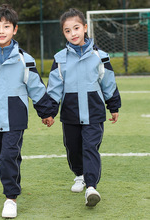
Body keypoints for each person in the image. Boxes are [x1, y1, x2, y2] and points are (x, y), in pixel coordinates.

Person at [0, 4, 54, 218]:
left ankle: (11, 198)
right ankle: (13, 174)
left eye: (6, 26)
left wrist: (46, 112)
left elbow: (36, 87)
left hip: (16, 118)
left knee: (7, 156)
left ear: (15, 29)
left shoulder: (25, 60)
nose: (1, 30)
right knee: (0, 156)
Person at [44, 8, 121, 207]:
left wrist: (113, 106)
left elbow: (108, 83)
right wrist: (50, 112)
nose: (73, 34)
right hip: (70, 115)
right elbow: (54, 88)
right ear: (64, 33)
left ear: (85, 28)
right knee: (73, 148)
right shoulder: (60, 59)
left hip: (94, 113)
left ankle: (91, 187)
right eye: (68, 31)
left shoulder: (100, 56)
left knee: (90, 147)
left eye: (76, 28)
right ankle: (79, 175)